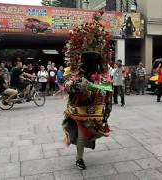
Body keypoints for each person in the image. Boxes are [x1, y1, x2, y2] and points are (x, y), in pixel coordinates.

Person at [62, 11, 112, 170]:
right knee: (83, 133)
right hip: (79, 103)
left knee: (92, 130)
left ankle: (80, 152)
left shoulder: (102, 70)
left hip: (95, 104)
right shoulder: (75, 68)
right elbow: (68, 83)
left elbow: (107, 84)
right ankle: (79, 158)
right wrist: (78, 85)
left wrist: (107, 104)